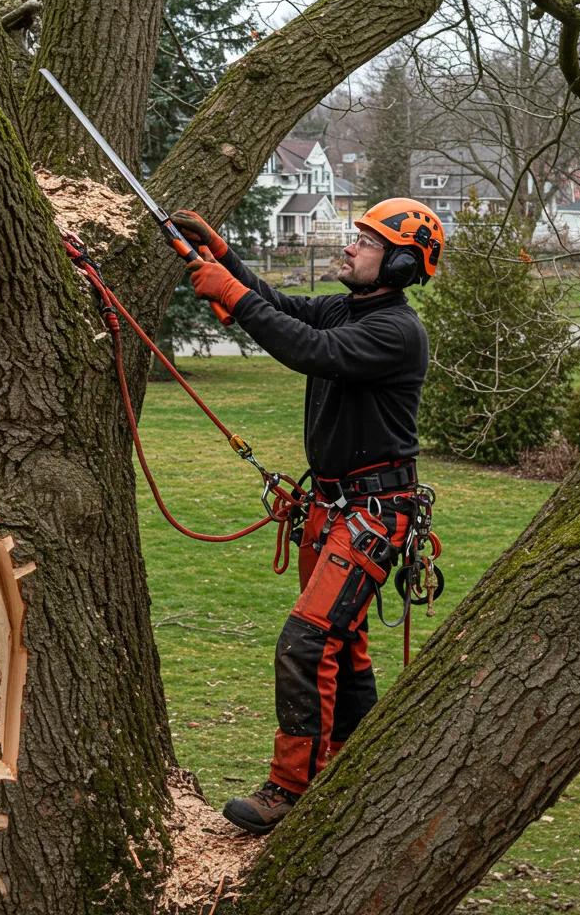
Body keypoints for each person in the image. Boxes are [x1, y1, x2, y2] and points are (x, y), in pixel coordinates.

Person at [171, 198, 444, 834]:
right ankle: (358, 762)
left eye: (365, 243)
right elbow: (283, 309)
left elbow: (306, 349)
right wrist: (225, 259)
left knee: (307, 641)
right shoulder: (347, 308)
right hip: (333, 508)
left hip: (373, 515)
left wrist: (231, 295)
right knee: (341, 644)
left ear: (400, 266)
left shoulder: (395, 332)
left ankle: (290, 788)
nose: (350, 248)